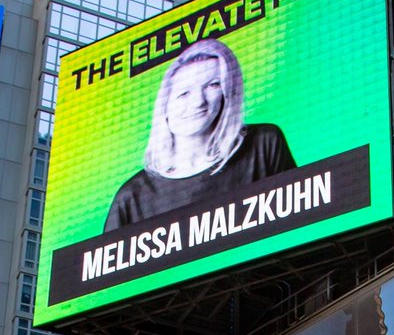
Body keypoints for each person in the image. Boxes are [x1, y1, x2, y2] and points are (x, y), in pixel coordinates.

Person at [105, 39, 295, 231]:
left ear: (228, 91)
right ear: (165, 104)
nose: (198, 102)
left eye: (212, 85)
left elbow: (296, 222)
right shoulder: (132, 196)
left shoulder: (263, 143)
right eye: (184, 93)